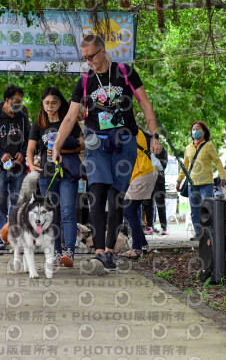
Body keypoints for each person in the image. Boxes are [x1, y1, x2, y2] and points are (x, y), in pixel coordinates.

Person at [51, 34, 163, 271]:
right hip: (96, 145)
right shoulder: (84, 82)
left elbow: (144, 103)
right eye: (85, 58)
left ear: (103, 52)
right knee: (96, 196)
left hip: (124, 143)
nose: (88, 61)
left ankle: (109, 253)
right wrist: (56, 146)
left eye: (91, 56)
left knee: (116, 199)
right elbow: (71, 117)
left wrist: (154, 135)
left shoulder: (125, 72)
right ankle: (99, 252)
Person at [27, 87, 84, 267]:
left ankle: (69, 252)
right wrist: (31, 164)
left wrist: (64, 149)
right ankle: (56, 251)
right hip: (47, 175)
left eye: (54, 103)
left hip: (67, 172)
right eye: (47, 103)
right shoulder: (38, 125)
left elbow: (82, 145)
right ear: (42, 105)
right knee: (53, 214)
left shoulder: (69, 122)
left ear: (60, 104)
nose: (50, 106)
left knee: (67, 211)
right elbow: (30, 148)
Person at [0, 85, 30, 250]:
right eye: (15, 102)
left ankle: (17, 236)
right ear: (7, 100)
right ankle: (0, 238)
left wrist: (23, 153)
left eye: (20, 102)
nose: (18, 105)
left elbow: (29, 139)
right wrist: (0, 154)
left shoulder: (22, 117)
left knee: (18, 202)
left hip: (18, 167)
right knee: (0, 202)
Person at [176, 121, 226, 240]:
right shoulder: (188, 148)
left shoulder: (209, 145)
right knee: (194, 210)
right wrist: (179, 180)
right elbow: (185, 166)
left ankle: (209, 233)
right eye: (193, 129)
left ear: (204, 132)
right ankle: (199, 233)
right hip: (191, 184)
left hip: (206, 183)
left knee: (207, 209)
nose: (195, 131)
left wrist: (222, 175)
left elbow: (217, 161)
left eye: (198, 129)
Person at [118, 130, 158, 259]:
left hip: (142, 173)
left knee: (128, 210)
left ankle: (136, 248)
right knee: (132, 210)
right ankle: (144, 246)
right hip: (147, 172)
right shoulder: (137, 132)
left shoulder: (130, 131)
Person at [141, 145, 168, 235]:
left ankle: (164, 228)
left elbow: (162, 166)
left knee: (160, 205)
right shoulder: (147, 150)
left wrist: (153, 157)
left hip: (159, 181)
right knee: (148, 204)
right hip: (148, 181)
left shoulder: (163, 151)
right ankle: (149, 226)